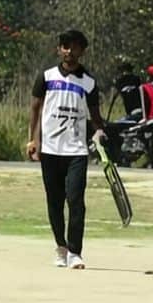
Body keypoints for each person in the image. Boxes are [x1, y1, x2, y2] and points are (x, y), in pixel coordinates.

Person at [27, 29, 107, 270]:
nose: (69, 51)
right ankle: (61, 248)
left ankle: (75, 252)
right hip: (50, 149)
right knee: (54, 201)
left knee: (76, 201)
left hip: (76, 151)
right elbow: (35, 109)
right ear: (59, 49)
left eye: (74, 47)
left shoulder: (89, 82)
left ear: (82, 51)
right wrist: (32, 140)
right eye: (65, 46)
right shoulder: (47, 76)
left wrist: (100, 132)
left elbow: (95, 117)